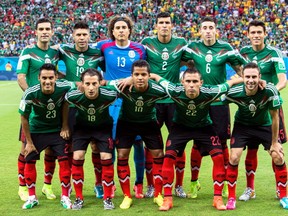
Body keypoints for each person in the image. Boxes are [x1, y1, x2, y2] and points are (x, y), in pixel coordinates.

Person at [149, 66, 242, 211]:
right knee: (168, 158)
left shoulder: (210, 92)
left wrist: (242, 79)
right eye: (188, 81)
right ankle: (167, 199)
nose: (191, 85)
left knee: (218, 157)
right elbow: (157, 77)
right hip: (180, 127)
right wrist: (138, 77)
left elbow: (228, 84)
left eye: (195, 81)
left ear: (201, 82)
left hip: (204, 127)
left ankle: (217, 198)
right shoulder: (174, 90)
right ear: (182, 82)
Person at [182, 16, 245, 198]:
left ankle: (224, 183)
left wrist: (243, 79)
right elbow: (180, 62)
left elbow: (240, 68)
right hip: (200, 102)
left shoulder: (225, 48)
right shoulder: (192, 48)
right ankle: (194, 182)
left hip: (219, 102)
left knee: (222, 142)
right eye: (205, 27)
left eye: (211, 27)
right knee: (197, 142)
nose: (208, 30)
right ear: (199, 31)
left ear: (216, 30)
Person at [95, 15, 146, 198]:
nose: (121, 30)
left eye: (124, 27)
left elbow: (146, 70)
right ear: (113, 31)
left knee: (138, 143)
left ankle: (139, 184)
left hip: (133, 102)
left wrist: (132, 78)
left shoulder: (140, 49)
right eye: (118, 28)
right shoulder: (104, 46)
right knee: (112, 143)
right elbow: (82, 51)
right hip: (112, 102)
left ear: (129, 30)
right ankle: (112, 183)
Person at [225, 62, 288, 210]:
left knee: (278, 156)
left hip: (264, 126)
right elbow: (216, 99)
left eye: (254, 77)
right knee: (234, 157)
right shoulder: (234, 92)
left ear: (260, 77)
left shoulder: (270, 91)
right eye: (247, 77)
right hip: (243, 126)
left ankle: (284, 196)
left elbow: (275, 117)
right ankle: (232, 198)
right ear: (242, 77)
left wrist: (274, 143)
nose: (251, 80)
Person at [107, 59, 166, 209]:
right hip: (126, 123)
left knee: (159, 155)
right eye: (136, 74)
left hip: (149, 123)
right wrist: (123, 80)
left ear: (149, 75)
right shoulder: (122, 86)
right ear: (131, 75)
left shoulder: (158, 90)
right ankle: (127, 196)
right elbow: (103, 83)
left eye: (143, 74)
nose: (140, 77)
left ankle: (158, 194)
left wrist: (159, 77)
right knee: (121, 156)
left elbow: (175, 90)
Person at [238, 20, 287, 201]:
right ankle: (250, 189)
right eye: (253, 32)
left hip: (270, 106)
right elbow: (238, 76)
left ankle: (281, 190)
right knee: (251, 148)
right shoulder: (243, 53)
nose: (256, 35)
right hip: (250, 109)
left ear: (265, 34)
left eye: (260, 32)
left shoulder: (274, 53)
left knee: (275, 149)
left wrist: (270, 90)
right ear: (248, 34)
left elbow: (283, 80)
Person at [141, 11, 188, 198]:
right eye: (161, 22)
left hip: (174, 101)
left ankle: (179, 185)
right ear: (156, 25)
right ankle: (151, 185)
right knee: (150, 144)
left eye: (167, 22)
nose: (164, 25)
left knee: (179, 143)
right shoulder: (147, 43)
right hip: (153, 101)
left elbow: (189, 60)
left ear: (172, 25)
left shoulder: (181, 43)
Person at [58, 21, 105, 199]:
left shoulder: (97, 53)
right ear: (73, 36)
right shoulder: (64, 51)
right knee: (70, 147)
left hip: (93, 104)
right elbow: (50, 62)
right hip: (71, 106)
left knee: (95, 146)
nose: (82, 38)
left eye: (85, 34)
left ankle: (99, 184)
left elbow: (106, 74)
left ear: (89, 36)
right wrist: (65, 78)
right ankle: (70, 185)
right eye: (78, 34)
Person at [16, 18, 59, 201]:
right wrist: (32, 97)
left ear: (52, 31)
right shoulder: (28, 51)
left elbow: (56, 74)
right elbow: (21, 77)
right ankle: (22, 187)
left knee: (51, 150)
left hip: (51, 109)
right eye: (41, 29)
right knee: (26, 148)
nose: (44, 32)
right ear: (35, 32)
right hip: (32, 109)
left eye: (47, 29)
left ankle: (47, 186)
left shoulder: (55, 53)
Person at [19, 63, 72, 209]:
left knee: (64, 160)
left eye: (50, 77)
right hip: (36, 130)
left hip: (56, 130)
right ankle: (31, 197)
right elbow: (24, 117)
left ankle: (65, 196)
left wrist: (65, 126)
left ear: (56, 77)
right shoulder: (30, 93)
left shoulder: (65, 87)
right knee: (29, 160)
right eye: (44, 78)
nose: (47, 81)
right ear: (38, 78)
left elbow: (69, 101)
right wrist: (29, 142)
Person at [65, 68, 117, 210]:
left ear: (100, 83)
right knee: (78, 156)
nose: (91, 87)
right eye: (87, 84)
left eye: (94, 83)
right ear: (81, 84)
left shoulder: (110, 95)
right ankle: (79, 198)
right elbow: (64, 100)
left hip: (102, 127)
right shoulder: (73, 96)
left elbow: (120, 88)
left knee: (106, 157)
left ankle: (107, 198)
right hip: (82, 128)